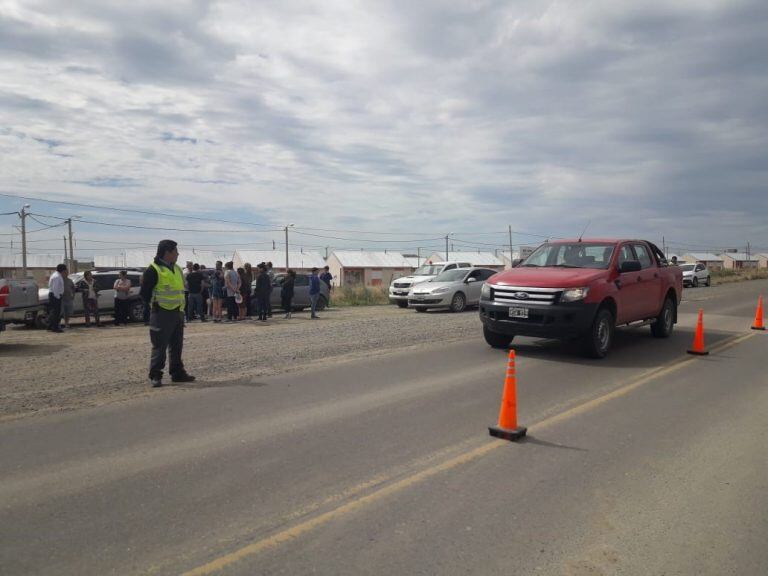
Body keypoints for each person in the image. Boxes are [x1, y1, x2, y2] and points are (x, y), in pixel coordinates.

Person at [140, 239, 195, 387]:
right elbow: (144, 294)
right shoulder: (153, 270)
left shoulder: (177, 268)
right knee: (160, 346)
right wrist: (155, 305)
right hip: (161, 313)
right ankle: (155, 375)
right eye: (176, 251)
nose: (178, 254)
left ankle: (177, 373)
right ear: (167, 252)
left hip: (177, 312)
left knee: (177, 346)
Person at [47, 264, 67, 333]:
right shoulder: (57, 277)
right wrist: (58, 297)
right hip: (55, 296)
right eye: (65, 269)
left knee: (53, 312)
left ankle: (50, 326)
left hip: (54, 295)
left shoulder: (56, 275)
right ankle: (55, 328)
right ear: (63, 270)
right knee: (56, 312)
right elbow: (55, 288)